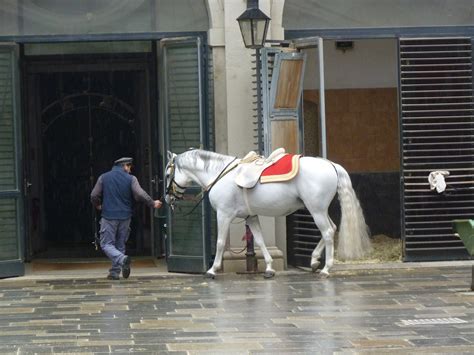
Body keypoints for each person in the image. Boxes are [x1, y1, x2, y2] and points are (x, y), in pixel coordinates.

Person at [90, 157, 162, 280]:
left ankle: (122, 259)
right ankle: (114, 272)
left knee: (106, 244)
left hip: (109, 216)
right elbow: (139, 193)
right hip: (125, 216)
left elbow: (94, 195)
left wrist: (98, 205)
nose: (130, 170)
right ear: (124, 166)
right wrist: (152, 203)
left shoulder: (104, 177)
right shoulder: (131, 179)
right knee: (120, 244)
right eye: (129, 166)